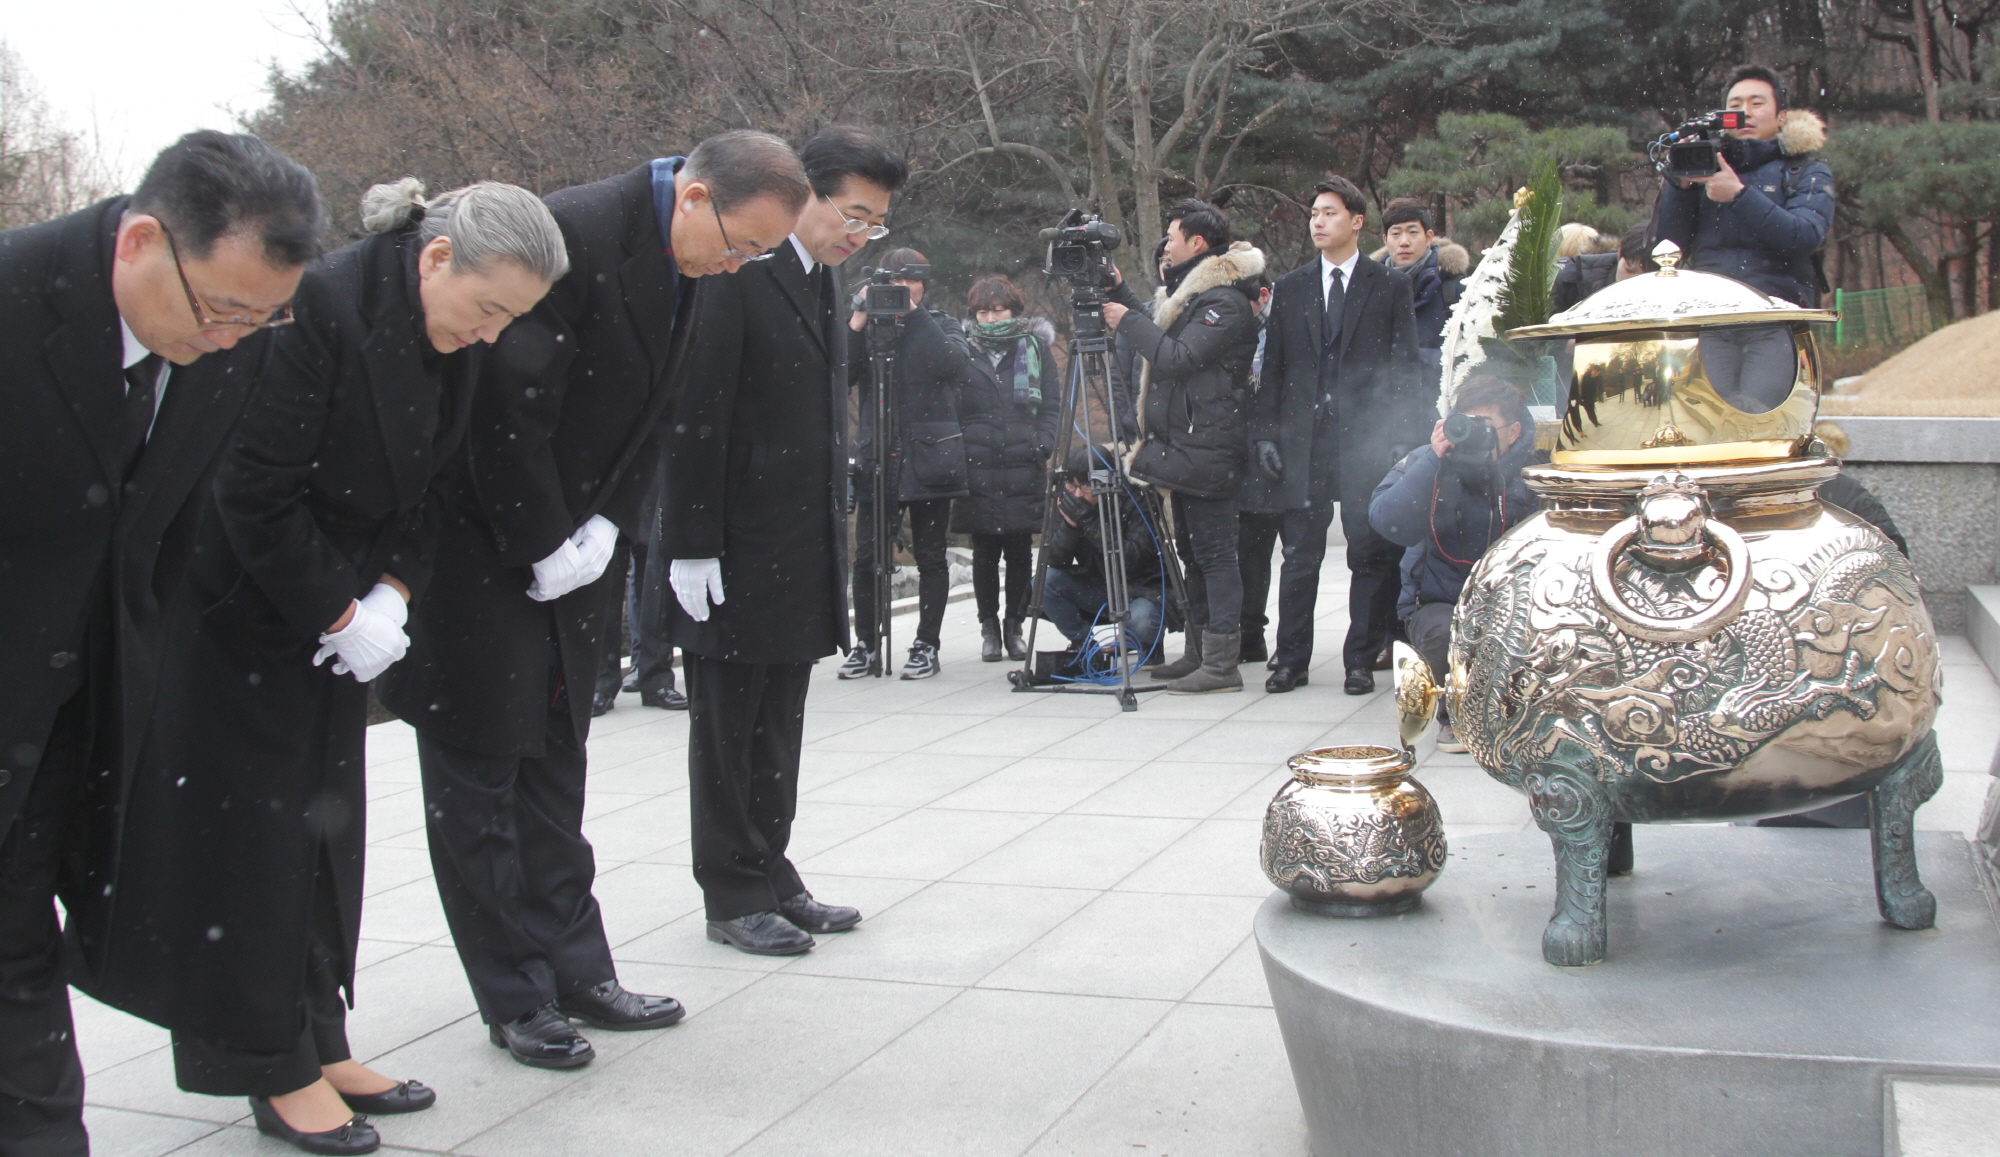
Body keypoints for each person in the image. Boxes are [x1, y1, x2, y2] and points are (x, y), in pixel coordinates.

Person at [89, 179, 564, 1154]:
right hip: (234, 619)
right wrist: (338, 607)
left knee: (319, 838)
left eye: (509, 318)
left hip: (330, 616)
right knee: (249, 851)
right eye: (487, 308)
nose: (490, 334)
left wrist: (394, 589)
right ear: (437, 260)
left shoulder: (450, 338)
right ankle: (267, 1062)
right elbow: (245, 491)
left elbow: (436, 481)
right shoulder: (318, 311)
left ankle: (318, 1034)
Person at [378, 131, 810, 1071]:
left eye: (759, 255)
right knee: (480, 782)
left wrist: (611, 523)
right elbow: (500, 413)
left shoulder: (694, 256)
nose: (739, 266)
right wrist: (543, 539)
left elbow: (653, 410)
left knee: (556, 766)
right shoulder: (571, 233)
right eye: (739, 244)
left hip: (577, 547)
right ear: (694, 198)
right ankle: (515, 991)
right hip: (482, 550)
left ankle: (578, 967)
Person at [0, 130, 321, 1157]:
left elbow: (163, 543)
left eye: (264, 317)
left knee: (16, 953)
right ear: (141, 240)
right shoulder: (16, 303)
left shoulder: (228, 344)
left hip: (68, 713)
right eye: (222, 308)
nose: (236, 337)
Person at [658, 125, 903, 957]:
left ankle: (771, 865)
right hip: (735, 538)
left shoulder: (823, 280)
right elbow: (695, 413)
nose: (859, 235)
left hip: (798, 539)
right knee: (727, 724)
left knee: (778, 720)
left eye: (875, 224)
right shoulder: (739, 271)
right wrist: (689, 541)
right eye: (854, 215)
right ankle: (729, 889)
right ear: (806, 194)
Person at [1246, 176, 1425, 695]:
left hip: (1365, 437)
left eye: (1329, 213)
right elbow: (1272, 369)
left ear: (1357, 221)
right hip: (1304, 440)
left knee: (1368, 552)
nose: (1318, 222)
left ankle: (1360, 658)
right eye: (1314, 214)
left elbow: (1404, 367)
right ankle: (1291, 658)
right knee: (1300, 553)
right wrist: (1265, 436)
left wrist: (1402, 436)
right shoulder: (1293, 286)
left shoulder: (1388, 285)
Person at [1102, 198, 1265, 695]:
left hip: (1211, 447)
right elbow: (1163, 323)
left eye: (1171, 238)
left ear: (1197, 244)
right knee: (1193, 553)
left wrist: (1126, 320)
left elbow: (1177, 355)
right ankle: (1198, 652)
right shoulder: (1193, 297)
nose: (1165, 247)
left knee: (1216, 556)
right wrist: (1124, 296)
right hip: (1189, 447)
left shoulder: (1225, 304)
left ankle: (1222, 664)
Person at [1369, 377, 1544, 752]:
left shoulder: (1534, 472)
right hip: (1439, 600)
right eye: (1466, 423)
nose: (1474, 435)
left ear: (1513, 432)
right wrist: (1434, 459)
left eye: (1486, 427)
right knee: (1447, 634)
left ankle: (1513, 710)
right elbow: (1387, 520)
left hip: (1518, 601)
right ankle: (1457, 713)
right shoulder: (1429, 459)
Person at [840, 247, 971, 681]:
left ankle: (925, 644)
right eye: (891, 283)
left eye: (908, 282)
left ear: (923, 285)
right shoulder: (871, 328)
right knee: (867, 557)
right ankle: (865, 643)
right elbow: (838, 375)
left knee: (931, 556)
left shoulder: (940, 323)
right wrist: (857, 321)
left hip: (929, 455)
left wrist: (913, 316)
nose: (899, 291)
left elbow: (952, 364)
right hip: (878, 454)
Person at [1655, 63, 1833, 309]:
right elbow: (1668, 250)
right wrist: (1681, 187)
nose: (1745, 113)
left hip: (1778, 311)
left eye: (1757, 104)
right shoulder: (1705, 168)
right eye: (1735, 106)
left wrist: (1739, 196)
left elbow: (1803, 237)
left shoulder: (1806, 171)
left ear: (1782, 115)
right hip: (1710, 311)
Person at [954, 274, 1060, 663]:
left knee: (1018, 550)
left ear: (1013, 310)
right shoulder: (962, 350)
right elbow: (954, 405)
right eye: (984, 311)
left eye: (999, 310)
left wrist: (1042, 443)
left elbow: (1050, 404)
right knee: (984, 550)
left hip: (1023, 460)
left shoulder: (1034, 348)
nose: (992, 318)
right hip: (976, 461)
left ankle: (1014, 624)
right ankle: (988, 628)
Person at [1037, 445, 1166, 666]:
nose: (1078, 493)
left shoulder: (1136, 500)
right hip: (1099, 586)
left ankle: (1146, 643)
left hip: (1141, 590)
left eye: (1086, 486)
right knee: (1044, 583)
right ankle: (1084, 644)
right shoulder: (1071, 502)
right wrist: (1070, 527)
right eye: (1072, 485)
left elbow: (1130, 558)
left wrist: (1090, 523)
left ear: (1104, 481)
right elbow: (1055, 561)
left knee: (1142, 622)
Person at [1375, 197, 1468, 386]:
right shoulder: (1367, 288)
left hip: (1435, 405)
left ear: (1428, 237)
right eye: (1395, 234)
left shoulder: (1453, 287)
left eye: (1413, 232)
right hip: (1377, 406)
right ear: (1385, 239)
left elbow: (1470, 355)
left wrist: (1411, 358)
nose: (1404, 242)